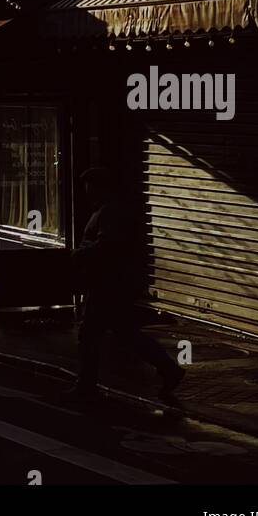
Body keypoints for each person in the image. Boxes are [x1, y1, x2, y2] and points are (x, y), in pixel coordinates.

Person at [71, 166, 185, 402]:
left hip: (107, 284)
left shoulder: (111, 213)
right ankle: (169, 369)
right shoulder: (107, 210)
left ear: (101, 188)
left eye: (90, 188)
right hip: (111, 283)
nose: (87, 193)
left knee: (90, 335)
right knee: (125, 333)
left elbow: (107, 246)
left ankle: (85, 387)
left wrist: (79, 254)